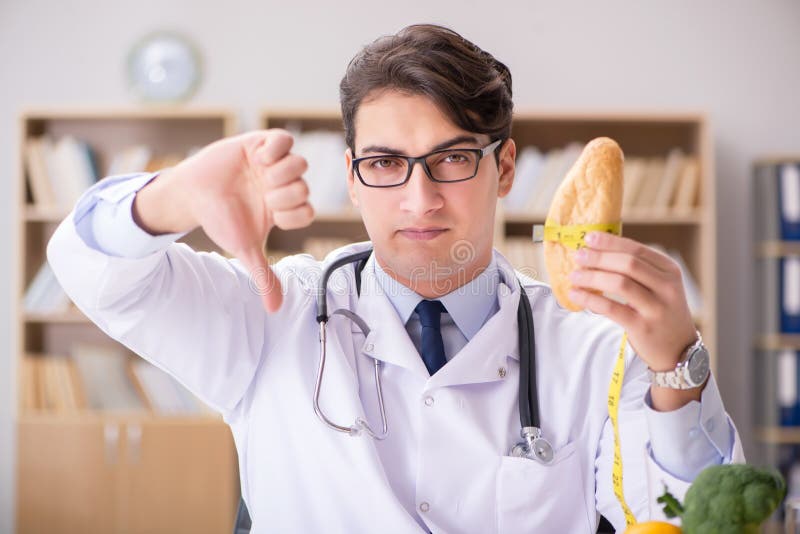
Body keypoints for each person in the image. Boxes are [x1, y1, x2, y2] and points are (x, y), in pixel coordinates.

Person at [47, 24, 743, 533]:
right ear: (350, 176)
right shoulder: (273, 310)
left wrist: (676, 368)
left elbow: (685, 519)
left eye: (452, 160)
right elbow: (95, 272)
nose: (420, 199)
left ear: (503, 170)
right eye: (384, 163)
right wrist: (168, 198)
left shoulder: (597, 344)